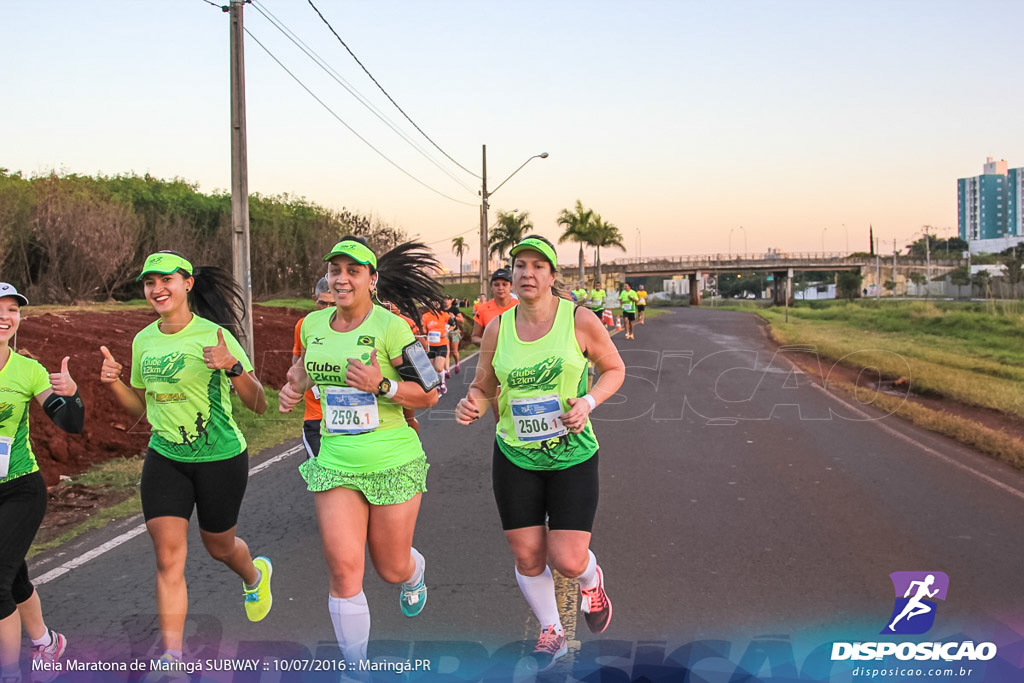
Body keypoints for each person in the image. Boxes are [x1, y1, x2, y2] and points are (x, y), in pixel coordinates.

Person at [454, 236, 625, 671]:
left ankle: (592, 580)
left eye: (537, 266)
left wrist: (588, 402)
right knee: (528, 555)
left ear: (552, 275)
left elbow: (614, 368)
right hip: (515, 454)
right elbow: (482, 384)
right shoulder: (497, 327)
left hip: (572, 454)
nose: (527, 273)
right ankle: (552, 631)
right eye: (520, 265)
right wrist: (472, 402)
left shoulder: (579, 320)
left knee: (567, 559)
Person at [99, 252, 271, 670]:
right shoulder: (144, 340)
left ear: (187, 284)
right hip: (166, 456)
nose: (156, 289)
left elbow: (259, 404)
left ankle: (254, 576)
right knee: (168, 558)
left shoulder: (215, 336)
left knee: (220, 547)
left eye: (166, 280)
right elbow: (139, 407)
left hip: (220, 457)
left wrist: (232, 367)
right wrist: (114, 383)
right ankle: (172, 657)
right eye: (148, 282)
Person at [278, 237, 443, 666]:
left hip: (392, 460)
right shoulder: (313, 325)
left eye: (353, 271)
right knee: (344, 571)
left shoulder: (394, 329)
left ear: (372, 279)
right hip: (335, 461)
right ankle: (356, 669)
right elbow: (303, 369)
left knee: (390, 567)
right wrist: (293, 387)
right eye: (336, 270)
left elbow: (430, 394)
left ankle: (414, 570)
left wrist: (382, 385)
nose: (342, 278)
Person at [0, 283, 83, 683]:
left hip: (20, 487)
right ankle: (47, 642)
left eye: (12, 309)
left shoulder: (28, 371)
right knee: (12, 575)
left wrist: (73, 396)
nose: (5, 316)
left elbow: (70, 423)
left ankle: (11, 673)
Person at [293, 278, 335, 459]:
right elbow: (298, 360)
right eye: (322, 303)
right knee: (321, 479)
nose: (327, 309)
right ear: (314, 300)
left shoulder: (354, 327)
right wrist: (294, 386)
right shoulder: (305, 325)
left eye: (332, 304)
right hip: (315, 417)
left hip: (348, 415)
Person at [470, 268, 516, 345]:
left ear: (511, 286)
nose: (500, 288)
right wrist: (489, 343)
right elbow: (475, 337)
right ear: (491, 287)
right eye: (496, 285)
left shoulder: (520, 307)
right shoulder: (483, 310)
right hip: (493, 355)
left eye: (504, 284)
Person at [420, 303, 451, 395]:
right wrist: (422, 327)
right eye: (431, 305)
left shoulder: (443, 315)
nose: (434, 307)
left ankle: (443, 383)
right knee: (433, 368)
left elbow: (453, 323)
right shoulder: (426, 316)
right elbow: (425, 331)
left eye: (436, 304)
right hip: (430, 345)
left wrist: (447, 331)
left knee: (439, 367)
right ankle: (438, 385)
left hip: (441, 344)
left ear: (438, 305)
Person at [444, 296, 464, 376]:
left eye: (447, 300)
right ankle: (447, 370)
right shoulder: (441, 310)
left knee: (454, 351)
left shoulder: (454, 309)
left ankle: (457, 363)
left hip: (454, 332)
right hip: (445, 333)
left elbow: (461, 320)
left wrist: (454, 317)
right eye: (444, 299)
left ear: (451, 301)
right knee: (446, 352)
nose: (446, 301)